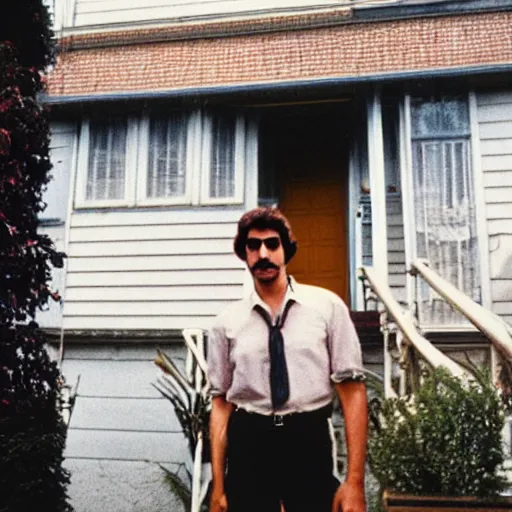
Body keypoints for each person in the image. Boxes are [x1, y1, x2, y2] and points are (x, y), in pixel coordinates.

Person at [207, 206, 368, 512]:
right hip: (249, 442)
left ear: (286, 249)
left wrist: (355, 482)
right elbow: (220, 404)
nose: (263, 254)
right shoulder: (226, 322)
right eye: (253, 246)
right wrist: (218, 488)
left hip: (307, 439)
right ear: (244, 254)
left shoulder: (327, 307)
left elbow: (353, 392)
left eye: (272, 244)